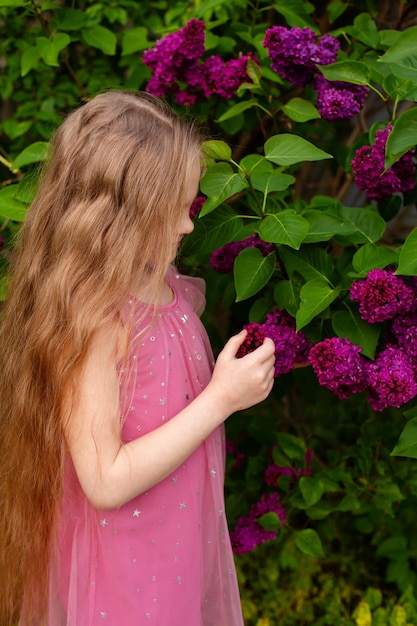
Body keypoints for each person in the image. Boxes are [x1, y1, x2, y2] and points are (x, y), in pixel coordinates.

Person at [0, 90, 275, 626]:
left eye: (189, 207)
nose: (188, 227)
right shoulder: (96, 321)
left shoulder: (163, 286)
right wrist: (222, 398)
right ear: (118, 216)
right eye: (173, 211)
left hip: (174, 540)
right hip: (125, 565)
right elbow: (104, 481)